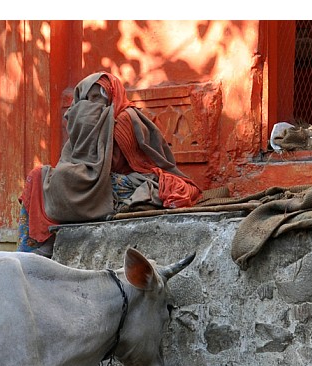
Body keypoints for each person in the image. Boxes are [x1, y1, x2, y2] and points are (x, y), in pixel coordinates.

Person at [18, 72, 201, 255]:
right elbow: (78, 159)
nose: (91, 103)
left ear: (110, 95)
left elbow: (131, 163)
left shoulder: (124, 119)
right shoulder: (92, 119)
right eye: (87, 99)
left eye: (97, 97)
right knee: (37, 176)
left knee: (64, 182)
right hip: (95, 175)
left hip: (130, 179)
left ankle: (50, 239)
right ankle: (34, 245)